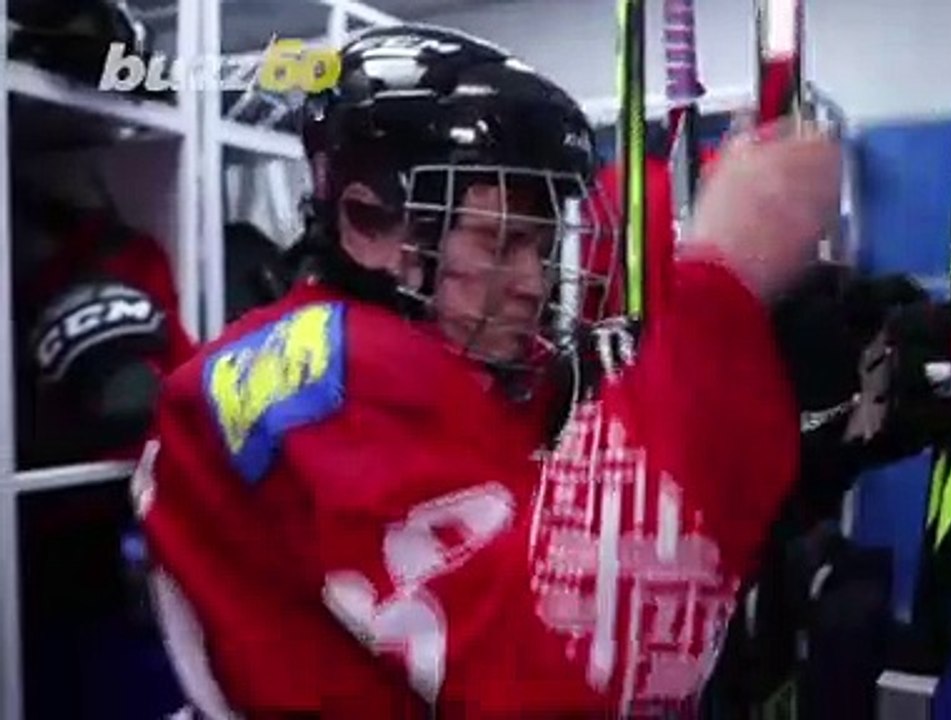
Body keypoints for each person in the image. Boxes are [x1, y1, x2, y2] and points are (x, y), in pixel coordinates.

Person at [132, 23, 841, 718]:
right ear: (368, 225)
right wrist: (720, 290)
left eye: (540, 245)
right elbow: (571, 674)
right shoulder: (330, 376)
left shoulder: (428, 362)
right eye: (500, 242)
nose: (534, 283)